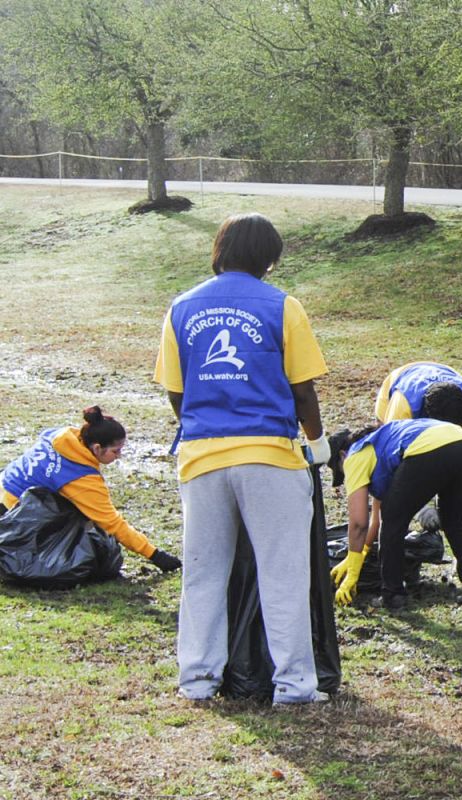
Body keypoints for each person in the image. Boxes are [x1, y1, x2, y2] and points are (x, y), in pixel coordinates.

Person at [154, 212, 331, 706]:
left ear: (220, 249)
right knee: (284, 573)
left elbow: (176, 392)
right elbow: (303, 391)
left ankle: (197, 680)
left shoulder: (182, 307)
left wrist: (202, 424)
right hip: (269, 457)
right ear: (268, 258)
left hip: (202, 458)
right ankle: (295, 686)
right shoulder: (282, 306)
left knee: (204, 573)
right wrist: (317, 446)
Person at [328, 382, 462, 611]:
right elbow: (375, 519)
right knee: (454, 521)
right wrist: (361, 552)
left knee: (394, 522)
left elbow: (358, 523)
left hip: (432, 448)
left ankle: (393, 595)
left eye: (340, 472)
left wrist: (353, 571)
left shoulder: (356, 455)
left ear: (342, 455)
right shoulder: (385, 442)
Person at [1, 406, 181, 572]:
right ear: (97, 448)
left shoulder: (63, 435)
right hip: (12, 518)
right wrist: (155, 555)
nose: (119, 456)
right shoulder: (81, 478)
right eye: (115, 451)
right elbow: (112, 523)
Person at [374, 361, 462, 437]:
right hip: (402, 376)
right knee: (382, 433)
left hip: (444, 370)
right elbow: (392, 441)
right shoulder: (403, 406)